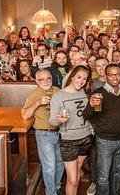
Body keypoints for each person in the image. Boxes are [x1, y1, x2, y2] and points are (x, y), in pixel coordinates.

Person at [83, 64, 120, 195]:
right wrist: (91, 105)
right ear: (105, 76)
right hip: (104, 140)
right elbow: (86, 116)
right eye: (111, 74)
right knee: (103, 176)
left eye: (117, 74)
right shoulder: (98, 93)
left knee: (119, 172)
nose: (114, 77)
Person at [49, 65, 93, 195]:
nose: (81, 81)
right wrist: (59, 120)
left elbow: (88, 115)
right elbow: (52, 121)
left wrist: (91, 129)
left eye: (85, 79)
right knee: (72, 179)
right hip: (69, 142)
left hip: (86, 138)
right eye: (79, 77)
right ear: (72, 76)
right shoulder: (58, 95)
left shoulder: (85, 93)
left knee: (77, 173)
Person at [22, 69, 64, 195]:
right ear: (36, 81)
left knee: (60, 164)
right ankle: (50, 193)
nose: (46, 82)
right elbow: (25, 115)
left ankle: (56, 187)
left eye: (48, 79)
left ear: (52, 78)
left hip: (60, 132)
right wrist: (38, 103)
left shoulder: (57, 91)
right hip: (44, 134)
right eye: (42, 79)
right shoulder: (34, 95)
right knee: (50, 167)